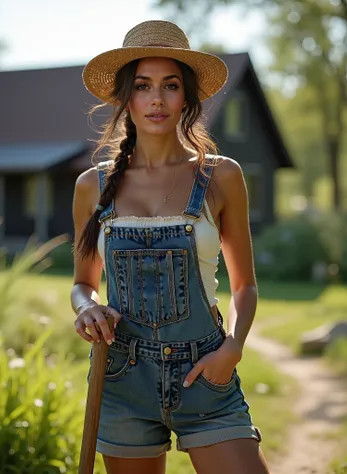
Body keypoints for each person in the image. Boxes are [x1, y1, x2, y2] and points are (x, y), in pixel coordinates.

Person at [71, 19, 271, 474]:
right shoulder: (91, 186)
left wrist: (233, 348)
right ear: (126, 97)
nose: (156, 99)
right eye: (143, 86)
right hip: (122, 377)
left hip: (205, 373)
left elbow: (244, 286)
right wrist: (86, 307)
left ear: (188, 97)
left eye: (170, 85)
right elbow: (83, 284)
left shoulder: (221, 176)